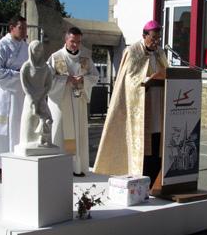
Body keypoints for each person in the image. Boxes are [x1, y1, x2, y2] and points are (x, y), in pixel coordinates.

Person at [94, 20, 168, 187]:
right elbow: (128, 80)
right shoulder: (133, 51)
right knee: (143, 145)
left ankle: (155, 182)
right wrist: (146, 80)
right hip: (141, 106)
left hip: (158, 104)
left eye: (158, 38)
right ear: (144, 36)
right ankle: (141, 183)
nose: (156, 42)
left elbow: (167, 71)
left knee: (157, 143)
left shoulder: (160, 53)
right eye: (154, 38)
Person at [48, 27, 99, 177]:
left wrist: (84, 79)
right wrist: (66, 79)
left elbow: (95, 77)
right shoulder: (55, 57)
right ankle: (57, 169)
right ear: (66, 40)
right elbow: (47, 80)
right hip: (61, 103)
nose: (75, 45)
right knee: (59, 132)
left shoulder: (85, 59)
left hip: (78, 103)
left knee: (78, 133)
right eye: (72, 41)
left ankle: (77, 167)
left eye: (78, 42)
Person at [0, 15, 28, 182]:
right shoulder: (0, 46)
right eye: (22, 28)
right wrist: (20, 75)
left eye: (26, 28)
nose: (25, 31)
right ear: (11, 28)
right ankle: (2, 168)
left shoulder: (26, 47)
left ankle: (19, 164)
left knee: (19, 129)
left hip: (21, 95)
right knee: (3, 132)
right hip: (5, 95)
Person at [18, 40, 54, 148]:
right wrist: (31, 98)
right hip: (30, 100)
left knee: (47, 120)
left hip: (42, 98)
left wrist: (42, 96)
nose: (37, 53)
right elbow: (25, 85)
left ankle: (43, 140)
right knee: (30, 121)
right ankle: (28, 141)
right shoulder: (26, 67)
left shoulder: (46, 68)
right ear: (30, 50)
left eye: (40, 50)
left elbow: (48, 84)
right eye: (35, 50)